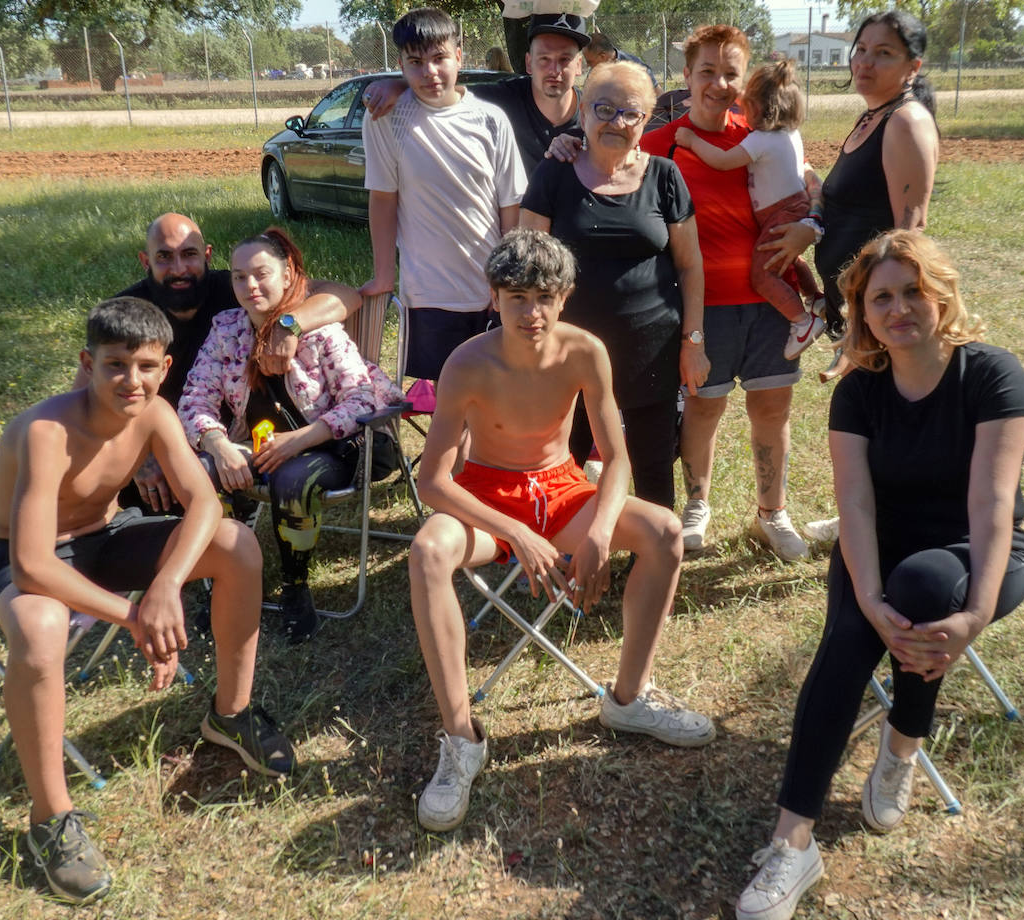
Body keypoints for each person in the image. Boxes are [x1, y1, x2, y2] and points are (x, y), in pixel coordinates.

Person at [735, 231, 1024, 920]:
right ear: (862, 314)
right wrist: (866, 597)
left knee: (927, 591)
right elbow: (857, 506)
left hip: (978, 552)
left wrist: (977, 613)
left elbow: (992, 508)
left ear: (942, 296)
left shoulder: (992, 375)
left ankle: (901, 746)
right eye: (881, 298)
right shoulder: (859, 392)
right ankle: (793, 842)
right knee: (846, 641)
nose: (898, 308)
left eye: (912, 292)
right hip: (880, 546)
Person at [0, 297, 295, 905]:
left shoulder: (154, 413)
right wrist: (133, 615)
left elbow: (203, 503)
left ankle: (230, 715)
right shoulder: (45, 429)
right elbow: (31, 563)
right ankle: (51, 820)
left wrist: (167, 586)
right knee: (42, 626)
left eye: (147, 367)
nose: (133, 380)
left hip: (110, 535)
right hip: (37, 554)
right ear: (88, 363)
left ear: (165, 366)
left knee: (237, 546)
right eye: (116, 365)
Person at [407, 228, 715, 833]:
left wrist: (600, 531)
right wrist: (516, 536)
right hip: (487, 497)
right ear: (493, 296)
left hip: (562, 489)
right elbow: (433, 482)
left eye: (546, 295)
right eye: (517, 296)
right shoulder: (467, 363)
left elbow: (617, 458)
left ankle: (628, 700)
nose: (533, 311)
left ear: (567, 295)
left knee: (664, 532)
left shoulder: (584, 350)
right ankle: (462, 737)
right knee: (426, 550)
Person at [762, 10, 940, 545]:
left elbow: (911, 232)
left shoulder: (905, 121)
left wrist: (871, 318)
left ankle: (886, 523)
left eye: (883, 52)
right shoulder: (873, 117)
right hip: (857, 304)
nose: (864, 61)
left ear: (913, 65)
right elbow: (851, 210)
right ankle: (867, 517)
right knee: (876, 416)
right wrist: (811, 225)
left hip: (883, 308)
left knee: (886, 417)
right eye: (861, 49)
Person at [178, 228, 403, 642]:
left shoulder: (320, 331)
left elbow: (362, 401)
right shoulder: (226, 330)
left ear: (287, 275)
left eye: (261, 274)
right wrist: (219, 444)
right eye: (239, 276)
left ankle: (296, 588)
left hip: (335, 446)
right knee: (203, 471)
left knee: (293, 478)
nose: (250, 286)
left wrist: (299, 441)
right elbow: (193, 400)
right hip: (258, 446)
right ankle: (226, 580)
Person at [637, 25, 810, 558]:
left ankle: (771, 514)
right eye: (706, 71)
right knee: (705, 411)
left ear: (745, 80)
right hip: (700, 310)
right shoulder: (660, 144)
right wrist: (569, 143)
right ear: (686, 77)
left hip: (769, 303)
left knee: (771, 408)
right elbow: (608, 169)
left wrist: (813, 223)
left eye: (730, 73)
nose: (718, 83)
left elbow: (810, 184)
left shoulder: (759, 134)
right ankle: (696, 508)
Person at [521, 60, 708, 509]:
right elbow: (525, 269)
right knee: (560, 464)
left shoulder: (664, 176)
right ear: (582, 111)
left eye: (631, 113)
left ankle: (655, 565)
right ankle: (564, 558)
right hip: (567, 355)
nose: (616, 123)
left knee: (653, 469)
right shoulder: (554, 173)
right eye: (603, 109)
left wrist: (693, 341)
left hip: (652, 352)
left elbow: (690, 267)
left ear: (647, 120)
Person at [110, 212, 360, 514]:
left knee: (195, 477)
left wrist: (288, 325)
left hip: (246, 436)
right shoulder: (125, 314)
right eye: (164, 257)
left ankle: (226, 533)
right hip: (162, 434)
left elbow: (346, 295)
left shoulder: (242, 288)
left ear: (207, 255)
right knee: (141, 490)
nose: (178, 269)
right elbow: (91, 398)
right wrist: (138, 452)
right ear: (145, 261)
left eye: (189, 254)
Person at [360, 7, 526, 385]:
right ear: (400, 64)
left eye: (439, 59)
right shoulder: (386, 119)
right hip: (428, 297)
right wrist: (383, 275)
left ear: (459, 56)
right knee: (445, 408)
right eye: (416, 62)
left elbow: (510, 206)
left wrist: (507, 282)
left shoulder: (490, 120)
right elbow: (383, 199)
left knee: (495, 403)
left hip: (489, 293)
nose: (429, 72)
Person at [673, 59, 827, 359]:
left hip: (779, 213)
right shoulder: (790, 134)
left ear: (759, 109)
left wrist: (692, 140)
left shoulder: (760, 139)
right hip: (795, 206)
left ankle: (803, 321)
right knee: (787, 260)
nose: (740, 111)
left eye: (746, 106)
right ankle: (815, 297)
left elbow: (720, 160)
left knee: (763, 275)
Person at [364, 12, 589, 179]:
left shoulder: (595, 113)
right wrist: (400, 84)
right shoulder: (504, 99)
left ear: (579, 65)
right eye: (544, 59)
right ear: (529, 63)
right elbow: (450, 91)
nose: (554, 70)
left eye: (564, 60)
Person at [584, 30, 660, 92]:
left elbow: (658, 93)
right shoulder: (593, 74)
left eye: (589, 62)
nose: (588, 66)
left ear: (602, 56)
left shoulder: (636, 66)